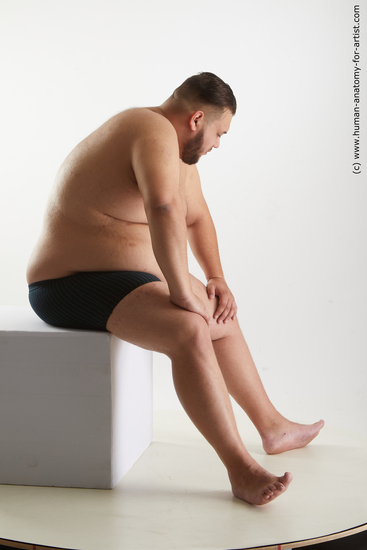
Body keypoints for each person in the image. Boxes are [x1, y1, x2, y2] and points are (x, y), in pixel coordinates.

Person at [27, 72, 324, 506]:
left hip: (124, 281)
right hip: (68, 285)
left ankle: (273, 427)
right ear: (197, 118)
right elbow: (163, 207)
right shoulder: (148, 129)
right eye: (219, 133)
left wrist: (216, 280)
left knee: (218, 310)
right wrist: (182, 290)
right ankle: (240, 470)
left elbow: (196, 217)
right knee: (189, 328)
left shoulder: (178, 155)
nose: (218, 144)